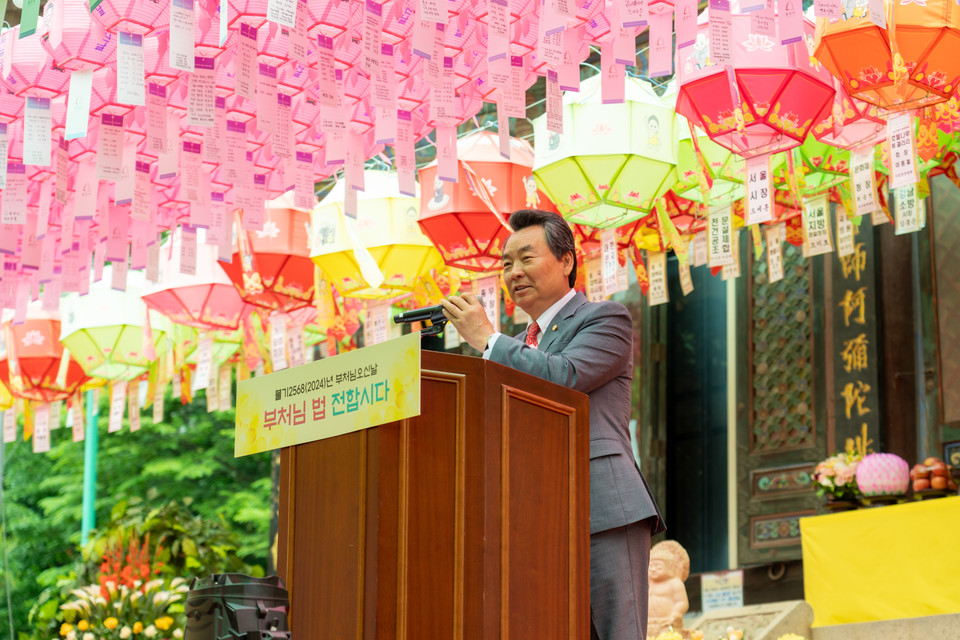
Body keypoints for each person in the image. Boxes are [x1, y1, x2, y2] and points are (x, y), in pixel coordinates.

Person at [440, 209, 664, 640]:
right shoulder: (517, 345)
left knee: (618, 632)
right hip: (533, 517)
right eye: (506, 263)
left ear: (566, 261)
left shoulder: (605, 318)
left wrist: (487, 339)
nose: (514, 272)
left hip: (602, 508)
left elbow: (565, 376)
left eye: (527, 257)